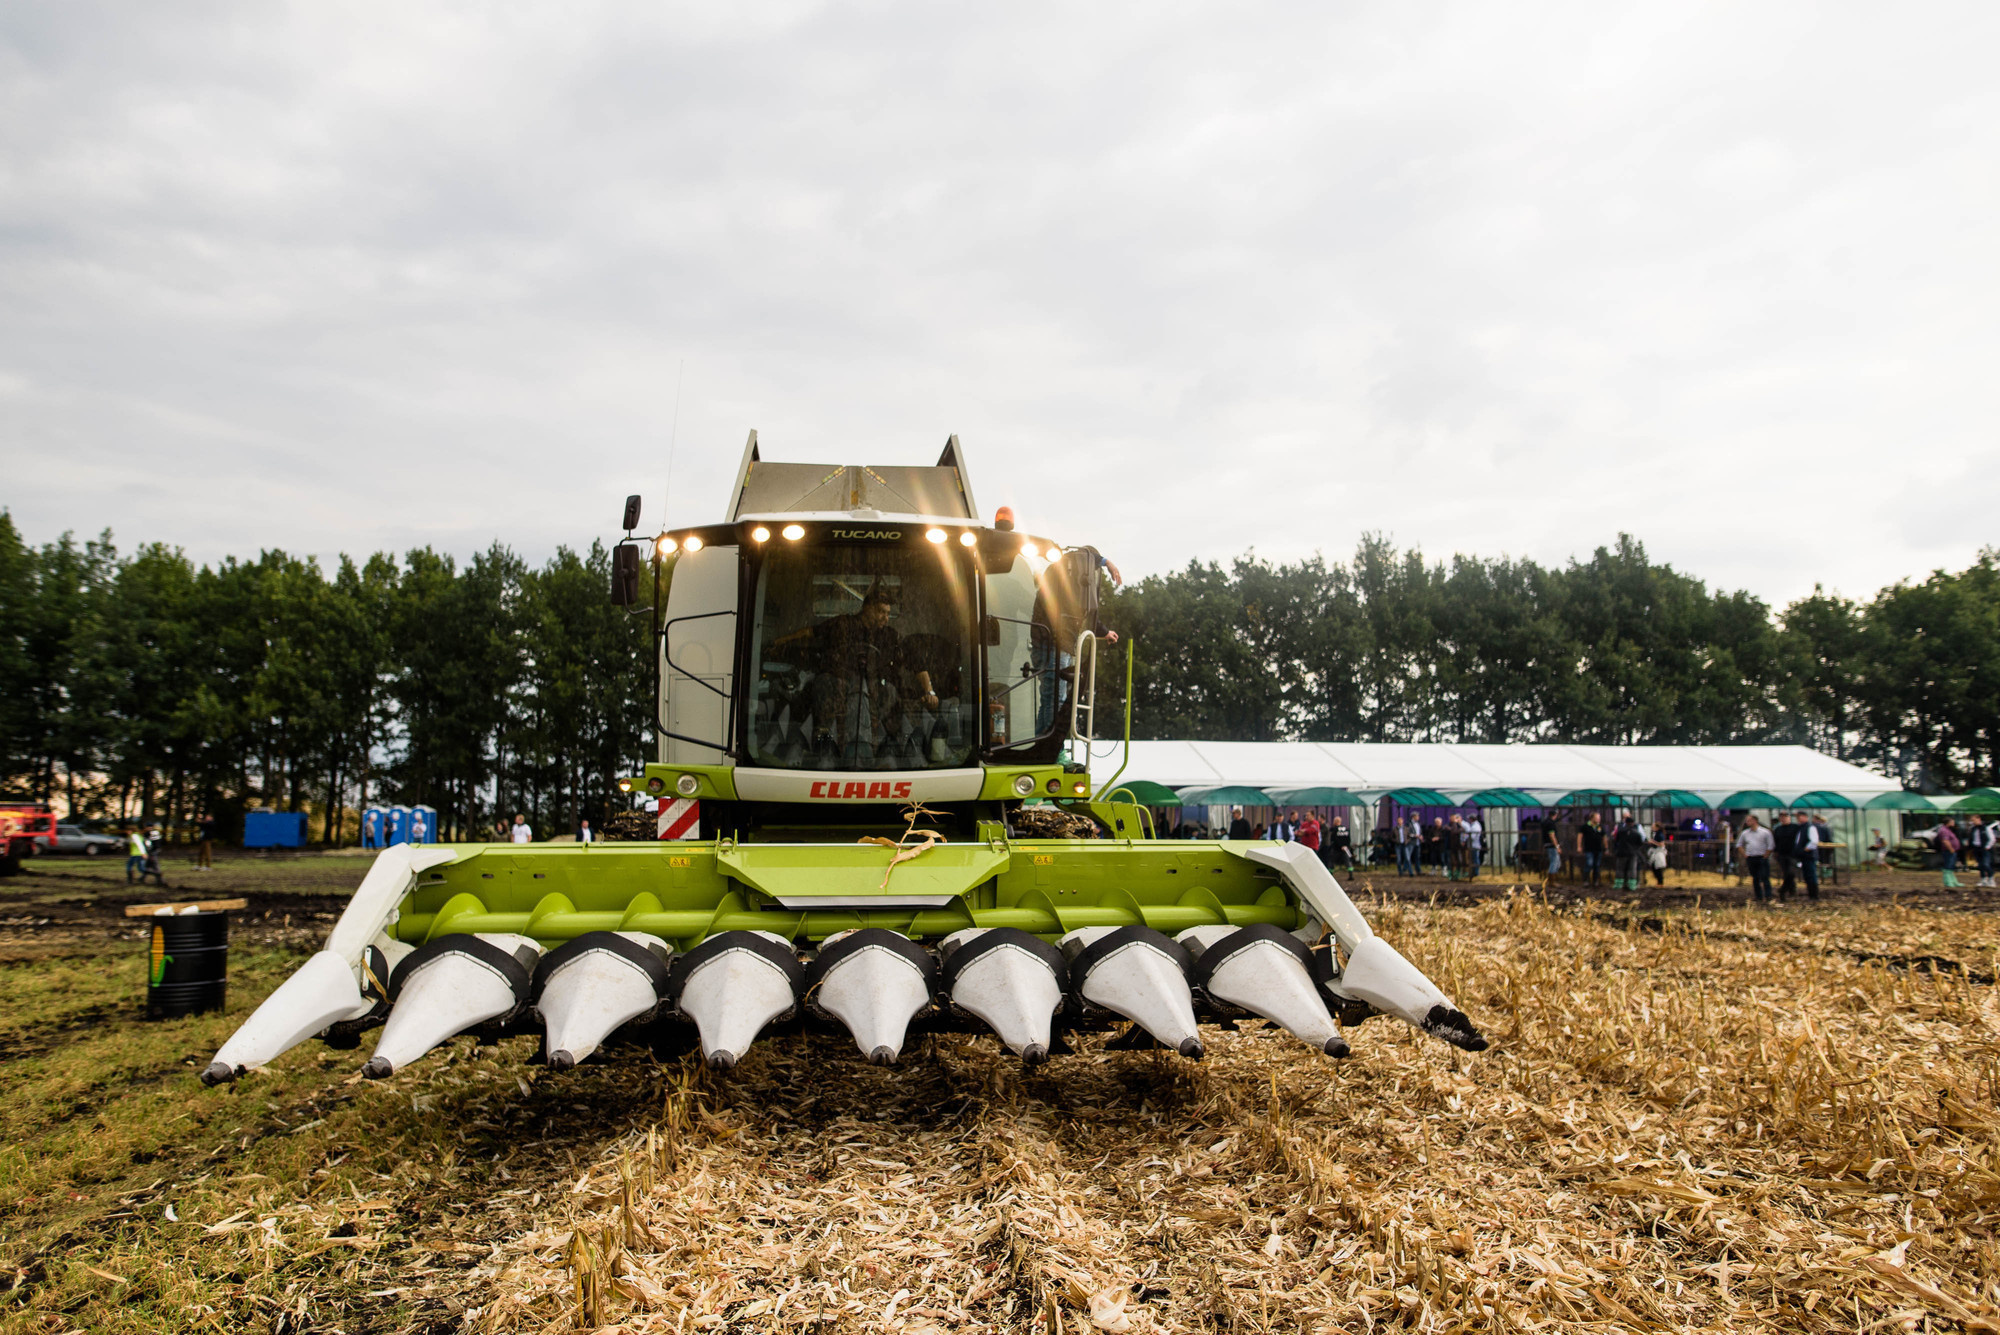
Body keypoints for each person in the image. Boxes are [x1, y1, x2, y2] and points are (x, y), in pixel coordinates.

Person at [1737, 815, 1774, 904]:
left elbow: (1771, 845)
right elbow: (1739, 845)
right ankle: (1759, 896)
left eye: (1749, 820)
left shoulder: (1765, 832)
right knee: (1755, 877)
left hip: (1762, 857)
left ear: (1755, 821)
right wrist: (1745, 855)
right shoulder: (1745, 833)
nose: (1747, 822)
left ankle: (1768, 896)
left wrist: (1766, 855)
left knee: (1765, 877)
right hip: (1751, 857)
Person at [1791, 810, 1821, 901]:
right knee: (1807, 875)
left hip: (1809, 856)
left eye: (1800, 816)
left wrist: (1805, 850)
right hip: (1803, 856)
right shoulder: (1801, 828)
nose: (1798, 819)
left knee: (1811, 875)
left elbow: (1814, 841)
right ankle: (1811, 894)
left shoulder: (1810, 827)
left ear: (1805, 817)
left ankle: (1814, 895)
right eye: (1797, 817)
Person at [1612, 816, 1647, 891]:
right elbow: (1640, 843)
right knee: (1632, 869)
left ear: (1625, 823)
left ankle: (1619, 884)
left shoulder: (1620, 831)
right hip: (1632, 853)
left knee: (1620, 869)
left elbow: (1616, 840)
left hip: (1622, 852)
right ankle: (1632, 885)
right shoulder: (1636, 833)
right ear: (1633, 823)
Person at [1772, 811, 1798, 899]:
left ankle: (1783, 889)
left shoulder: (1795, 828)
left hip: (1793, 854)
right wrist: (1775, 852)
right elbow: (1775, 842)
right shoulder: (1778, 829)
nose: (1783, 818)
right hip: (1781, 854)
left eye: (1785, 816)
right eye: (1781, 817)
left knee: (1791, 873)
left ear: (1789, 818)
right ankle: (1792, 891)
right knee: (1786, 873)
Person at [1578, 813, 1606, 888]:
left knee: (1596, 865)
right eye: (1597, 818)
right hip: (1588, 849)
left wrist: (1606, 847)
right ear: (1592, 818)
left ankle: (1595, 881)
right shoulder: (1585, 826)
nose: (1598, 819)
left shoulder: (1600, 827)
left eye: (1599, 818)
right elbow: (1580, 837)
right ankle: (1586, 880)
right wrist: (1579, 846)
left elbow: (1604, 837)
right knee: (1589, 863)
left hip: (1598, 849)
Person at [1936, 817, 1962, 888]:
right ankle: (1948, 882)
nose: (1953, 823)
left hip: (1951, 851)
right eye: (1952, 822)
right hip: (1948, 851)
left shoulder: (1948, 830)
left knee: (1951, 866)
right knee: (1948, 866)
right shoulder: (1944, 830)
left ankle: (1953, 881)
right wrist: (1951, 849)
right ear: (1948, 823)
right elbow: (1945, 841)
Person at [1970, 814, 1993, 887]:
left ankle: (1991, 879)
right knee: (1980, 865)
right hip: (1977, 848)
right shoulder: (1973, 829)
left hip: (1985, 849)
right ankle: (1983, 880)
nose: (1973, 822)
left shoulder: (1986, 827)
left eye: (1974, 820)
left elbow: (1992, 838)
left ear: (1978, 819)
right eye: (1972, 820)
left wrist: (1987, 846)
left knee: (1986, 864)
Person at [1647, 821, 1669, 887]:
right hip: (1656, 852)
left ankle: (1660, 882)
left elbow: (1661, 844)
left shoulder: (1660, 835)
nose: (1652, 828)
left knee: (1657, 868)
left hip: (1658, 853)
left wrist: (1652, 842)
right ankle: (1659, 882)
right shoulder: (1657, 834)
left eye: (1653, 826)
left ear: (1657, 827)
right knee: (1655, 867)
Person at [1463, 812, 1483, 879]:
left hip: (1474, 845)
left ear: (1472, 819)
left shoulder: (1475, 826)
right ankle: (1474, 872)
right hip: (1473, 845)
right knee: (1474, 859)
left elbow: (1473, 837)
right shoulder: (1474, 825)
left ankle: (1476, 873)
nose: (1469, 820)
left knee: (1475, 859)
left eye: (1470, 819)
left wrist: (1467, 836)